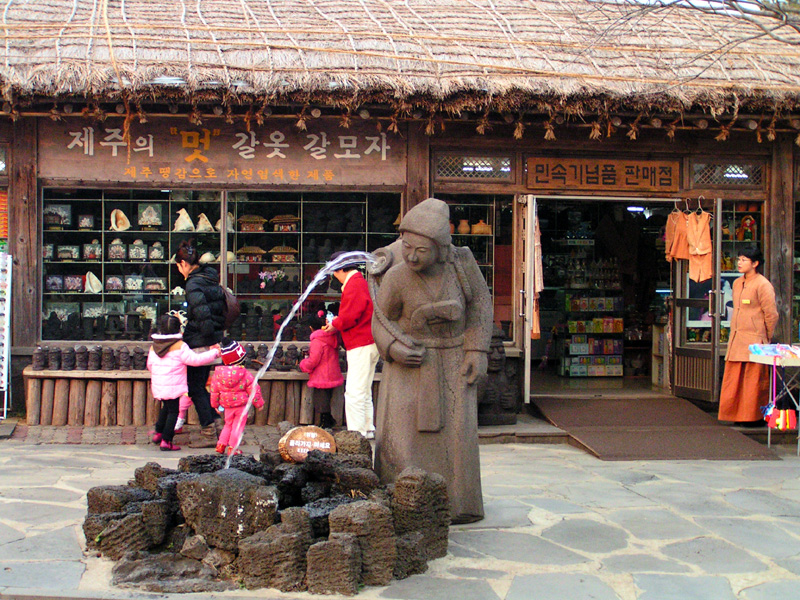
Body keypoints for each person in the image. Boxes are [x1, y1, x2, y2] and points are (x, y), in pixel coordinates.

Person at [371, 198, 493, 524]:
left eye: (421, 250)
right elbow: (381, 321)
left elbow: (480, 305)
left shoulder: (461, 266)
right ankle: (401, 500)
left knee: (456, 436)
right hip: (410, 364)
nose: (411, 256)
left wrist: (476, 351)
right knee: (402, 434)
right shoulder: (396, 277)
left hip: (453, 360)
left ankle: (458, 503)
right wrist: (394, 348)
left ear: (439, 248)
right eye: (406, 246)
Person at [175, 239, 227, 447]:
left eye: (179, 267)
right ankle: (216, 427)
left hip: (199, 341)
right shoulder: (209, 278)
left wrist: (209, 341)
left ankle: (209, 431)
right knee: (199, 386)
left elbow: (202, 314)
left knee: (195, 387)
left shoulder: (193, 283)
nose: (180, 271)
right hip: (210, 337)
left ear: (184, 264)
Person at [718, 246, 779, 425]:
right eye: (739, 259)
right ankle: (734, 415)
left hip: (754, 340)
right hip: (737, 339)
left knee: (753, 382)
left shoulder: (763, 284)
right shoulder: (737, 283)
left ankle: (752, 417)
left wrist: (766, 336)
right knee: (734, 380)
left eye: (744, 260)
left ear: (755, 263)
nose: (739, 262)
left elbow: (771, 314)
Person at [323, 252, 379, 439]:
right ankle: (367, 428)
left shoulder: (354, 284)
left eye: (334, 271)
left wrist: (335, 324)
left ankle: (356, 433)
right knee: (364, 388)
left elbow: (350, 315)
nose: (334, 276)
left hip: (360, 342)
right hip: (369, 341)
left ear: (341, 268)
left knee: (354, 390)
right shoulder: (360, 282)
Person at [147, 313, 221, 451]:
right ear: (179, 329)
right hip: (174, 386)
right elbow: (195, 360)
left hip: (159, 385)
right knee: (173, 412)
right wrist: (214, 354)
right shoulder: (180, 346)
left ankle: (158, 433)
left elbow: (150, 365)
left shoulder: (154, 347)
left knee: (166, 408)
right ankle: (166, 440)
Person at [209, 339, 264, 455]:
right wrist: (259, 404)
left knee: (228, 424)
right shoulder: (245, 374)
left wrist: (215, 405)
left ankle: (221, 444)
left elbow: (214, 391)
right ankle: (233, 448)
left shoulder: (218, 374)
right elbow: (254, 389)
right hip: (241, 406)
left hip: (227, 405)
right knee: (237, 427)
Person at [299, 310, 344, 428]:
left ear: (310, 328)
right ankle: (329, 421)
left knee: (321, 402)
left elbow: (313, 360)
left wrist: (303, 364)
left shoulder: (317, 341)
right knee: (327, 400)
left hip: (321, 376)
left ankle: (326, 423)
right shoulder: (332, 337)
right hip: (332, 374)